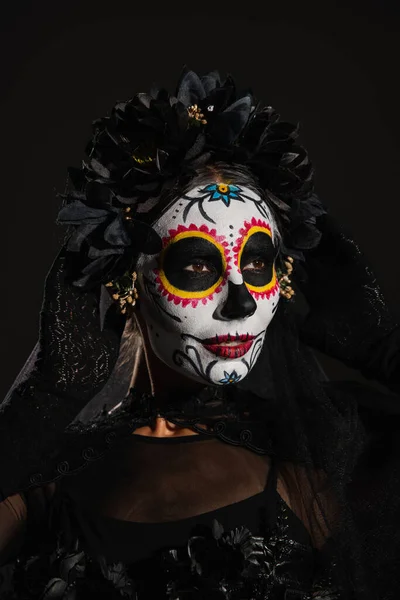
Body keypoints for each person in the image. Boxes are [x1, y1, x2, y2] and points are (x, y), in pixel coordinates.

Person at [0, 68, 399, 600]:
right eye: (195, 267)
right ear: (127, 282)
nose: (240, 302)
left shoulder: (317, 459)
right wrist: (53, 395)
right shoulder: (46, 476)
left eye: (258, 262)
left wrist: (381, 347)